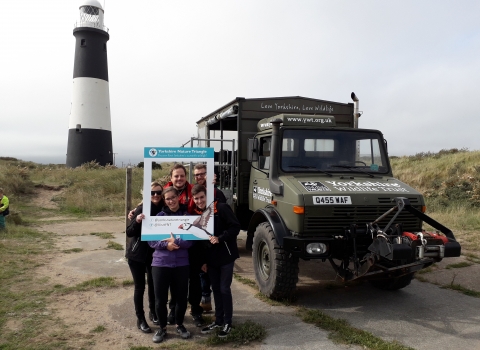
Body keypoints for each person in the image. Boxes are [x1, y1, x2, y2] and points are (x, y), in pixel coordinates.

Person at [191, 185, 240, 338]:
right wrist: (203, 261)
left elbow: (236, 227)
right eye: (196, 198)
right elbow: (200, 242)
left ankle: (227, 322)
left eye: (202, 197)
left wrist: (221, 238)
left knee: (225, 289)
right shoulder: (197, 214)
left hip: (226, 256)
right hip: (211, 260)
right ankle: (218, 320)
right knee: (216, 289)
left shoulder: (222, 208)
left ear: (207, 196)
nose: (199, 201)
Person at [149, 187, 192, 343]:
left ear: (178, 197)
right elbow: (151, 240)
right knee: (160, 299)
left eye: (173, 197)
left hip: (181, 263)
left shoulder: (186, 217)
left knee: (181, 298)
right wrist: (165, 245)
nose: (171, 201)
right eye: (167, 199)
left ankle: (180, 324)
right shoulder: (158, 217)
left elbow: (191, 240)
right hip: (161, 263)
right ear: (164, 200)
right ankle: (162, 328)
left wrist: (176, 241)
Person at [125, 182, 164, 334]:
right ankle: (140, 318)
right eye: (152, 192)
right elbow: (129, 232)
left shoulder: (164, 208)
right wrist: (137, 220)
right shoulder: (141, 208)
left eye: (158, 192)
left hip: (155, 254)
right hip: (137, 255)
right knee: (139, 287)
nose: (155, 195)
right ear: (147, 194)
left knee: (153, 286)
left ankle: (153, 312)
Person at [193, 163, 227, 312]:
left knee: (217, 280)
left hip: (214, 240)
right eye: (197, 174)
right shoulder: (194, 191)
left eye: (202, 174)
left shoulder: (216, 193)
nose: (200, 177)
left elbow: (224, 214)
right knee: (201, 272)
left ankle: (221, 313)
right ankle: (205, 301)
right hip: (199, 239)